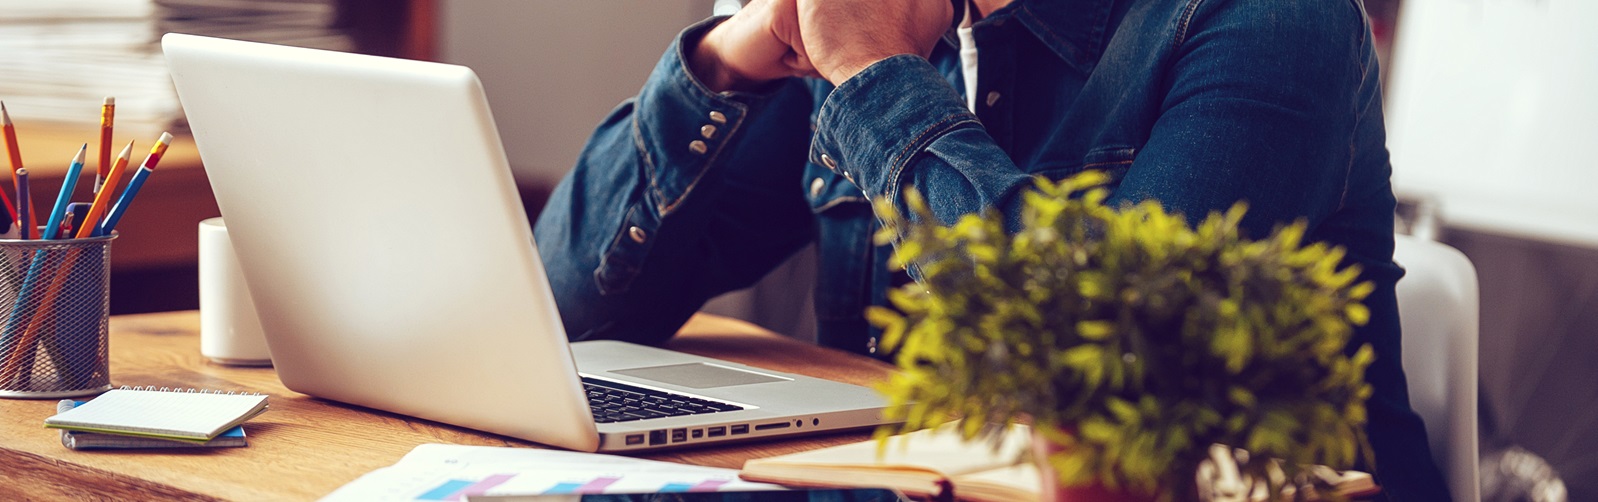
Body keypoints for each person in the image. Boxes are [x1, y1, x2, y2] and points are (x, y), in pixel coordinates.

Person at [533, 0, 1449, 498]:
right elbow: (572, 305)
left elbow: (1111, 379)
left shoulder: (1274, 21)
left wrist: (875, 80)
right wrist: (728, 60)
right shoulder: (885, 23)